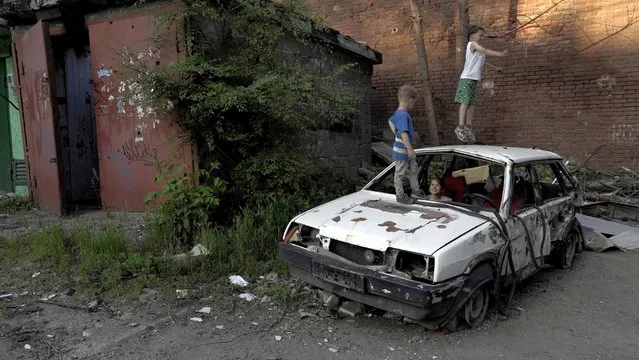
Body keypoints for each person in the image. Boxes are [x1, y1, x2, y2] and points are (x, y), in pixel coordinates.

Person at [454, 24, 508, 143]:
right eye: (480, 35)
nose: (482, 38)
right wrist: (499, 54)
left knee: (471, 104)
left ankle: (468, 127)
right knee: (465, 102)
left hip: (473, 80)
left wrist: (496, 68)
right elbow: (484, 50)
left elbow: (484, 62)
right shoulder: (472, 44)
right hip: (466, 79)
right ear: (473, 36)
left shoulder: (478, 50)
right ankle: (460, 127)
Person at [388, 85, 428, 204]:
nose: (414, 105)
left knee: (413, 169)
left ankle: (416, 190)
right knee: (399, 173)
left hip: (405, 149)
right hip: (402, 151)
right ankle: (400, 195)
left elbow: (390, 121)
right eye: (414, 103)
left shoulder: (398, 113)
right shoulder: (403, 115)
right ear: (411, 100)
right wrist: (409, 148)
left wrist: (396, 131)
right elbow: (404, 133)